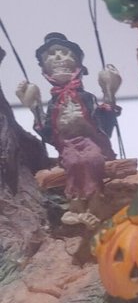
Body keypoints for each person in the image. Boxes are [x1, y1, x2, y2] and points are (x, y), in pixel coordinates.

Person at [16, 32, 122, 227]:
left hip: (91, 140)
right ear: (44, 68)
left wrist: (110, 91)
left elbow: (105, 121)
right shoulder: (54, 103)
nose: (57, 57)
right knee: (72, 161)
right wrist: (33, 107)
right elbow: (47, 131)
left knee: (93, 158)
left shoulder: (87, 97)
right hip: (67, 144)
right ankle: (76, 207)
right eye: (51, 54)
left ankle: (96, 203)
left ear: (78, 64)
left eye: (64, 52)